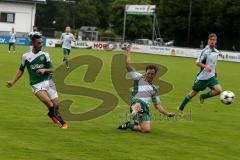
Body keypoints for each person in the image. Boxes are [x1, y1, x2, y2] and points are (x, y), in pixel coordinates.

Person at [6, 32, 68, 129]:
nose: (41, 45)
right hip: (36, 84)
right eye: (38, 43)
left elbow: (52, 69)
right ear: (33, 43)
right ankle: (64, 123)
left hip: (49, 81)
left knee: (56, 106)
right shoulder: (25, 56)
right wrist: (12, 81)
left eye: (41, 43)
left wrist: (44, 70)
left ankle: (51, 114)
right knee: (49, 103)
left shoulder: (45, 54)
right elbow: (21, 70)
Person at [118, 44, 175, 133]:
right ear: (146, 72)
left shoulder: (154, 90)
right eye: (148, 73)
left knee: (146, 130)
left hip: (145, 109)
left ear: (155, 75)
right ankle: (135, 112)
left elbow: (158, 106)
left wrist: (167, 114)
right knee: (138, 104)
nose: (150, 75)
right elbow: (128, 65)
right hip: (136, 102)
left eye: (152, 74)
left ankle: (129, 124)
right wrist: (128, 52)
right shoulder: (139, 77)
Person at [178, 33, 222, 112]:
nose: (212, 41)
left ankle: (203, 96)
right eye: (211, 40)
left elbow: (214, 63)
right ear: (208, 41)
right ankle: (181, 107)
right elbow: (197, 63)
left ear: (216, 41)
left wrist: (215, 71)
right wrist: (206, 66)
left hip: (211, 76)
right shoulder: (205, 51)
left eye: (214, 40)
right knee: (193, 93)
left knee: (218, 90)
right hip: (202, 77)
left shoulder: (216, 51)